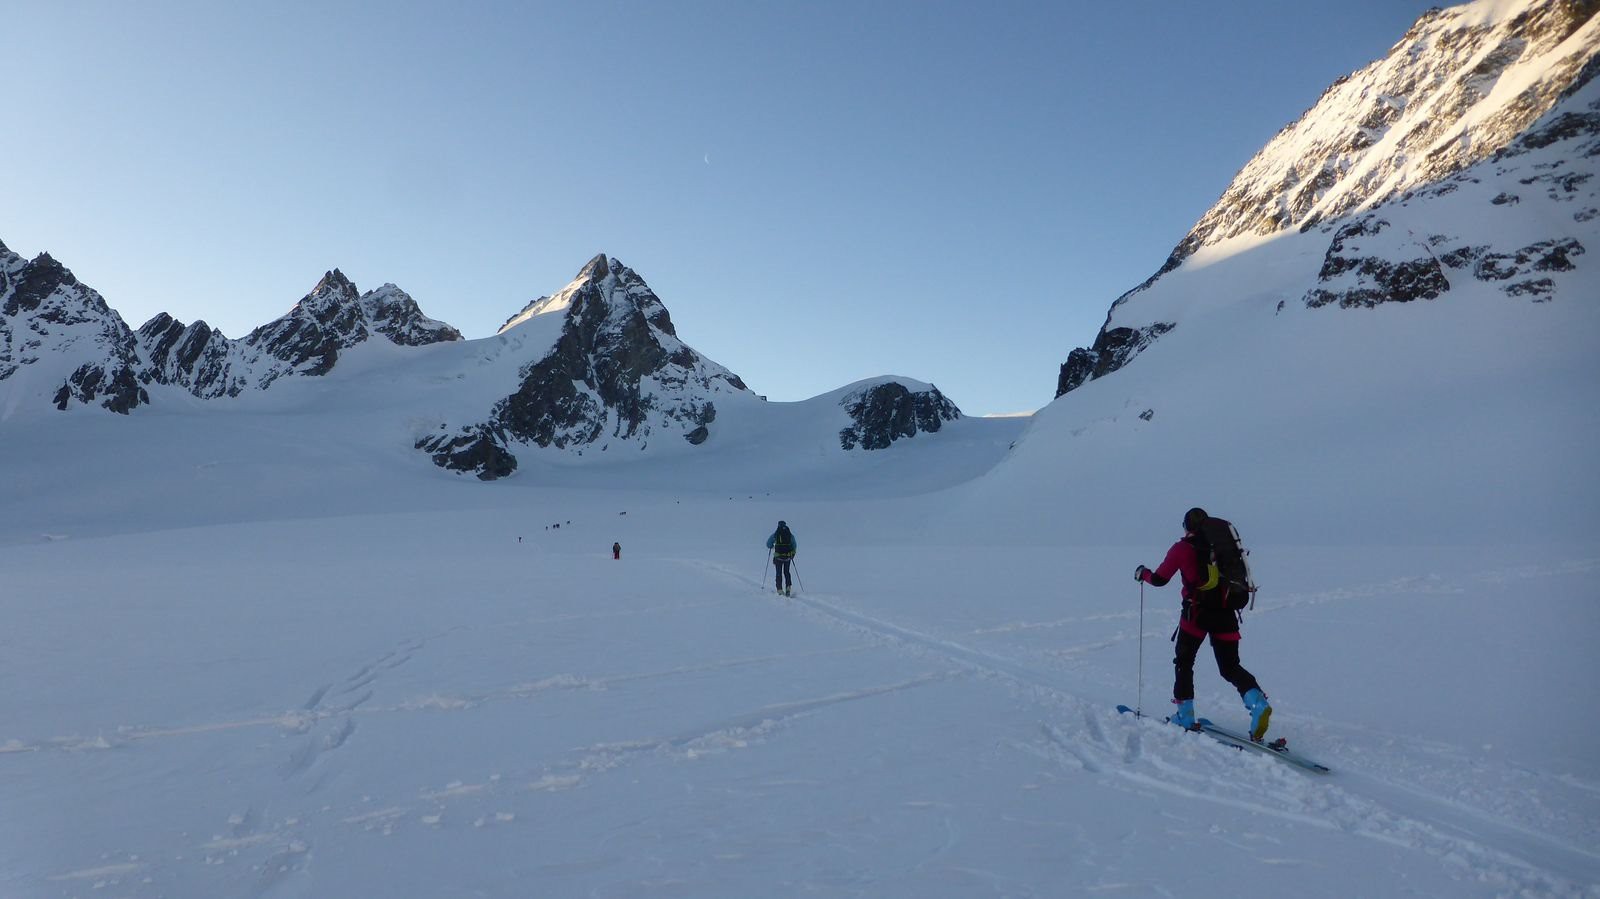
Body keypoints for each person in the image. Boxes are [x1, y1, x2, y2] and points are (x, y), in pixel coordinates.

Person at [1135, 507, 1272, 740]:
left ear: (1187, 527)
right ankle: (1257, 703)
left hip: (1196, 615)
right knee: (1230, 666)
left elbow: (1159, 579)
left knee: (1184, 662)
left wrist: (1143, 573)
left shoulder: (1181, 548)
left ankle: (1185, 717)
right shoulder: (1223, 547)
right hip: (1226, 612)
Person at [766, 520, 797, 596]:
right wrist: (792, 554)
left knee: (778, 573)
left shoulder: (776, 534)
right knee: (787, 572)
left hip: (778, 557)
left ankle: (779, 589)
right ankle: (788, 587)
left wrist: (772, 546)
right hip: (787, 557)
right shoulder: (790, 535)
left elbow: (768, 544)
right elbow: (794, 545)